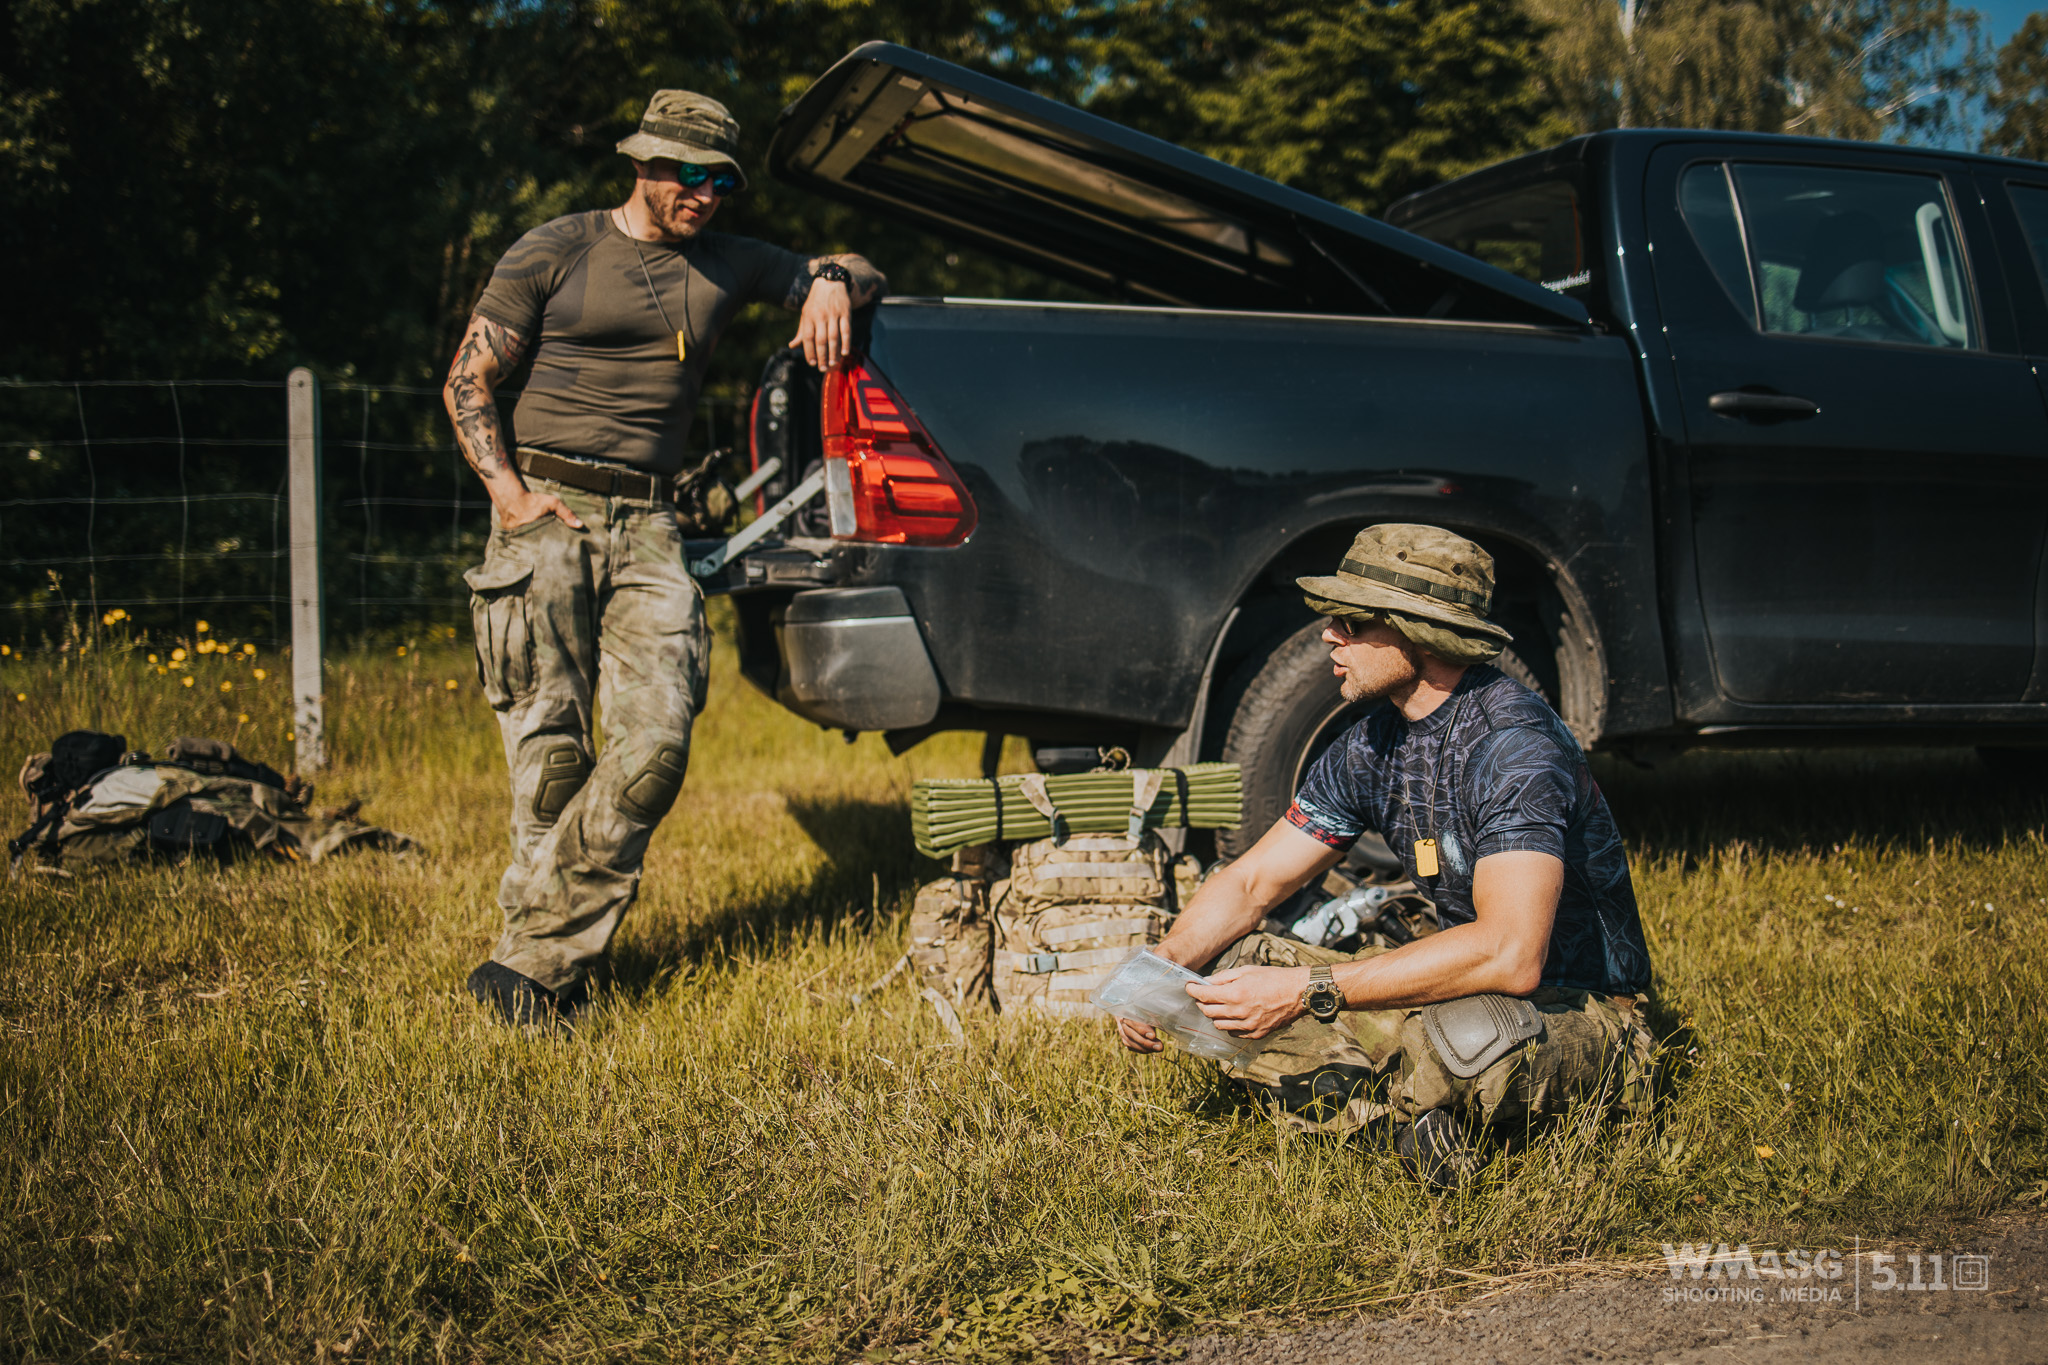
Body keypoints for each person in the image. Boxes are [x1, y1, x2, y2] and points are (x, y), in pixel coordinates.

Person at [443, 89, 886, 1031]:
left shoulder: (728, 262)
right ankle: (550, 978)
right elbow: (468, 377)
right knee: (551, 756)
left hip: (651, 527)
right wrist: (513, 499)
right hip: (547, 512)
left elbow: (853, 262)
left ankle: (526, 959)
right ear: (641, 163)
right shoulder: (554, 249)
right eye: (689, 173)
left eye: (722, 179)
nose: (707, 194)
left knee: (654, 747)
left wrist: (831, 283)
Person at [1117, 524, 1658, 1183]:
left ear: (1415, 631)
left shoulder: (1515, 746)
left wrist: (1306, 991)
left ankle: (1379, 1113)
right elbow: (1254, 881)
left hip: (1578, 1012)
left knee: (1460, 1039)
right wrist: (1160, 972)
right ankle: (1408, 1118)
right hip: (1457, 988)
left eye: (1350, 620)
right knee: (1228, 969)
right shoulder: (1371, 743)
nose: (1328, 636)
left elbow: (1511, 954)